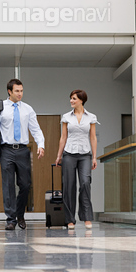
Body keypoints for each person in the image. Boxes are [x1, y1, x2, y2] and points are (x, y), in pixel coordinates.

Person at [0, 79, 45, 230]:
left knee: (25, 185)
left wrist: (41, 144)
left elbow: (36, 129)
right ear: (9, 91)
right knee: (8, 185)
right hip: (6, 150)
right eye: (17, 91)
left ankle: (20, 214)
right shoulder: (0, 107)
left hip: (23, 150)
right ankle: (11, 219)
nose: (20, 94)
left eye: (22, 91)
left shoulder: (27, 109)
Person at [55, 90, 99, 230]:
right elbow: (63, 137)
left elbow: (93, 137)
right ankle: (70, 220)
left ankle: (86, 217)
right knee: (69, 186)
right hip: (69, 153)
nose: (71, 101)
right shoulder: (66, 117)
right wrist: (59, 156)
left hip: (85, 154)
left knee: (85, 183)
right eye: (71, 98)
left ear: (81, 100)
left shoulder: (91, 117)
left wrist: (94, 157)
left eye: (74, 99)